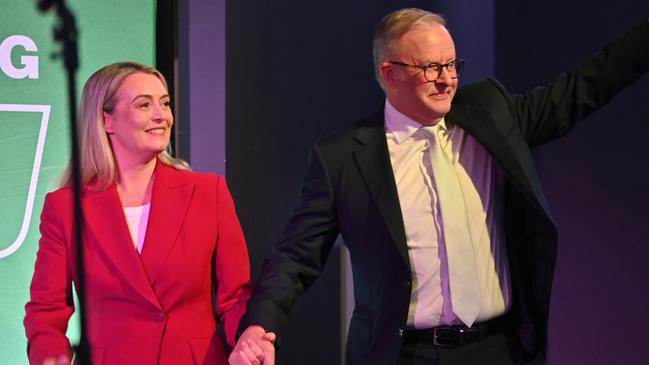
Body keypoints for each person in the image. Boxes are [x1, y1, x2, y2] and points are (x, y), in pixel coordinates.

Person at [231, 8, 649, 365]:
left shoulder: (490, 114)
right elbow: (295, 256)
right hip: (403, 354)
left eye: (451, 65)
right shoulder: (343, 157)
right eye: (431, 68)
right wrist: (258, 326)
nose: (447, 79)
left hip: (496, 348)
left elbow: (583, 88)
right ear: (390, 73)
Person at [24, 62, 252, 365]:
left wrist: (249, 339)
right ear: (107, 121)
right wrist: (51, 358)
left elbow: (237, 298)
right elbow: (46, 312)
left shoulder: (208, 193)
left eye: (165, 103)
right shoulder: (65, 208)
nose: (161, 115)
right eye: (144, 104)